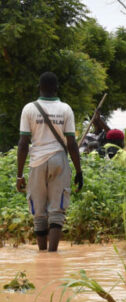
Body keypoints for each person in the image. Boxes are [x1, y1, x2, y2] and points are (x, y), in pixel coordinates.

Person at [16, 72, 83, 252]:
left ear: (39, 87)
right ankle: (53, 254)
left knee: (39, 210)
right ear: (56, 88)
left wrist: (19, 175)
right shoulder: (66, 109)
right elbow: (72, 144)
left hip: (37, 161)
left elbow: (23, 144)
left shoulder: (28, 109)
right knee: (57, 209)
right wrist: (79, 171)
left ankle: (42, 255)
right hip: (59, 160)